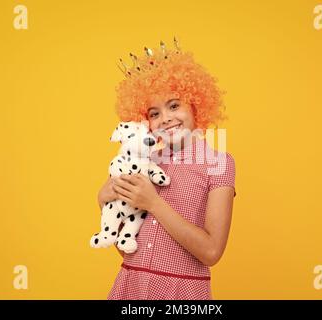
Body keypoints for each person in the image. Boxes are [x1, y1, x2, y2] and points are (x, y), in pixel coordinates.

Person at [97, 38, 236, 299]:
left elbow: (211, 252)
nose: (166, 119)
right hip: (131, 286)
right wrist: (103, 203)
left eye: (174, 105)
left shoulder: (219, 163)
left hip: (182, 293)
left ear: (196, 104)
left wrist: (153, 203)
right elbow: (128, 250)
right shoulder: (141, 161)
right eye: (154, 113)